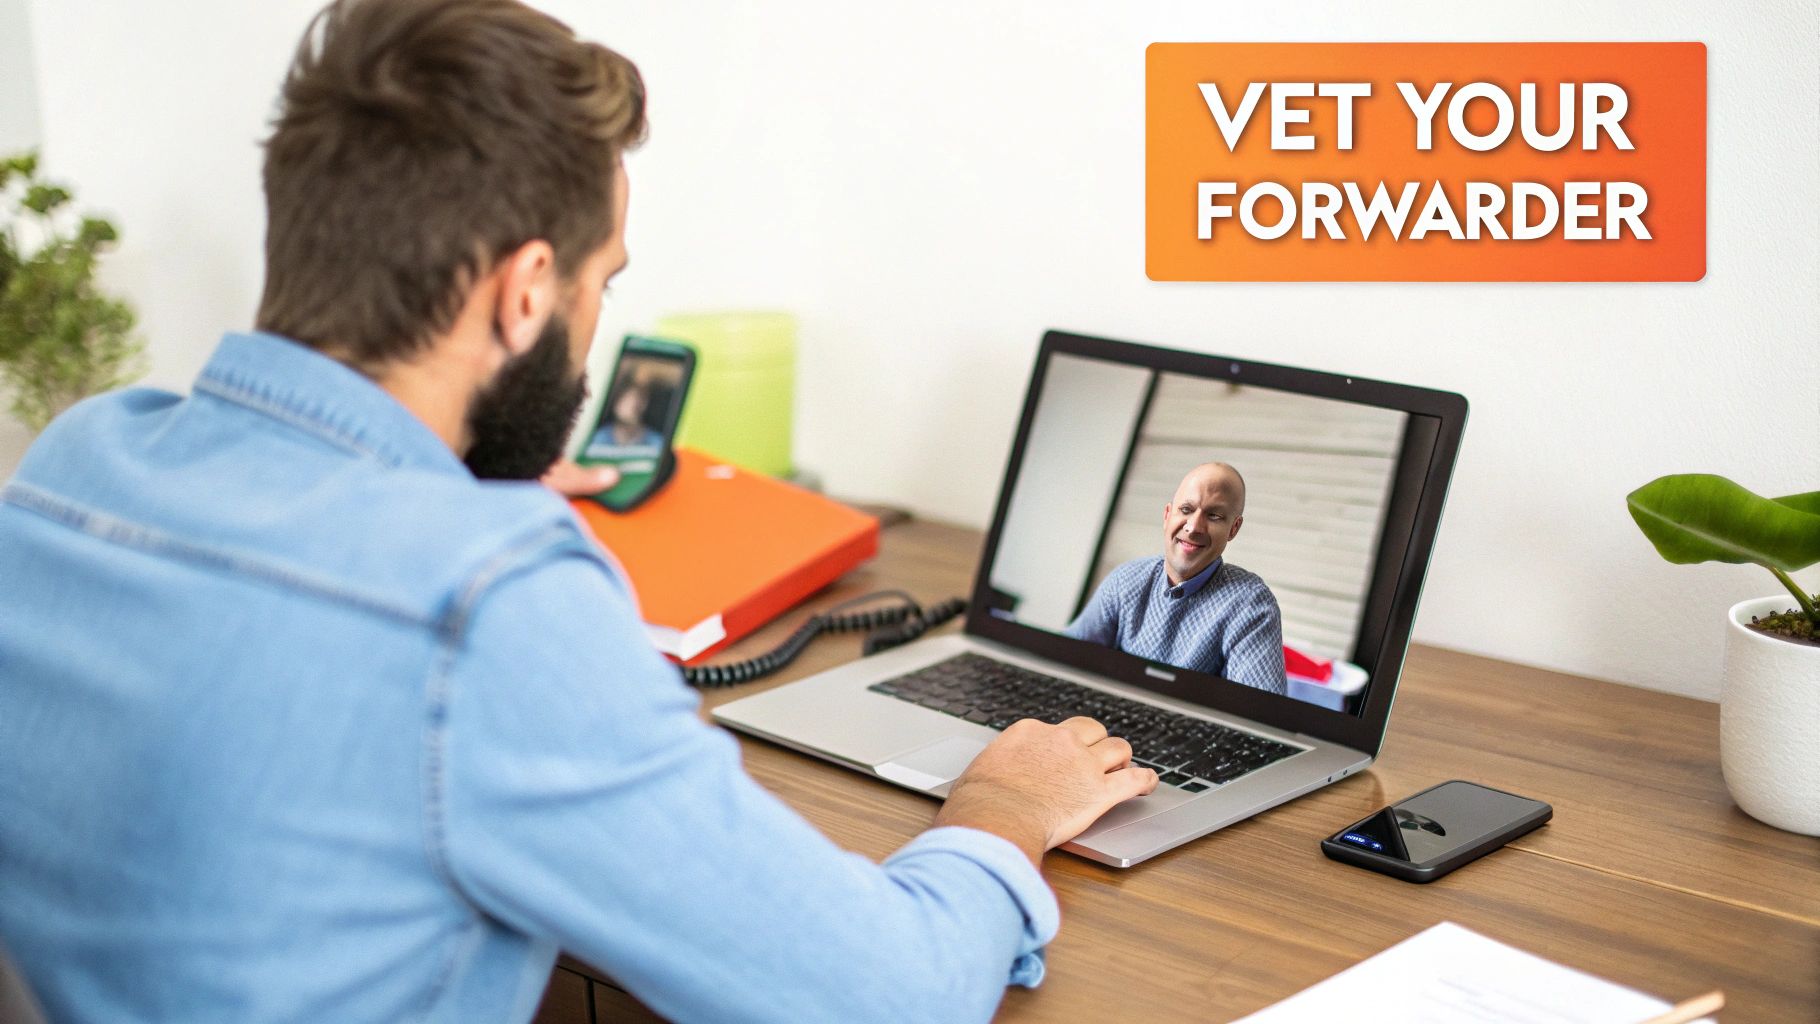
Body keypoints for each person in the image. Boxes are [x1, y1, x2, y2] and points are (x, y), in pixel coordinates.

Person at [0, 2, 1156, 1022]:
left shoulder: (77, 463)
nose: (596, 329)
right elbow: (887, 994)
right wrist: (1001, 806)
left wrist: (447, 486)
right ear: (523, 291)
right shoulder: (484, 597)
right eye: (604, 282)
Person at [1066, 462, 1287, 693]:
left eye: (1213, 516)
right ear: (1167, 515)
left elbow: (1259, 716)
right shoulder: (1125, 580)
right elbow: (1066, 658)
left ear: (1233, 529)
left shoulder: (1251, 606)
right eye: (1186, 510)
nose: (1193, 527)